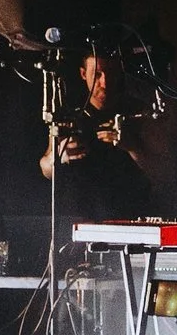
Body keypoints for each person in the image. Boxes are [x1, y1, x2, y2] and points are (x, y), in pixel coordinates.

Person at [38, 43, 153, 221]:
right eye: (97, 74)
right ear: (83, 74)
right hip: (80, 217)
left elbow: (165, 175)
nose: (104, 82)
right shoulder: (69, 115)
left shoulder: (138, 112)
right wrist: (58, 157)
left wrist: (133, 148)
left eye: (111, 73)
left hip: (130, 215)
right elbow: (45, 169)